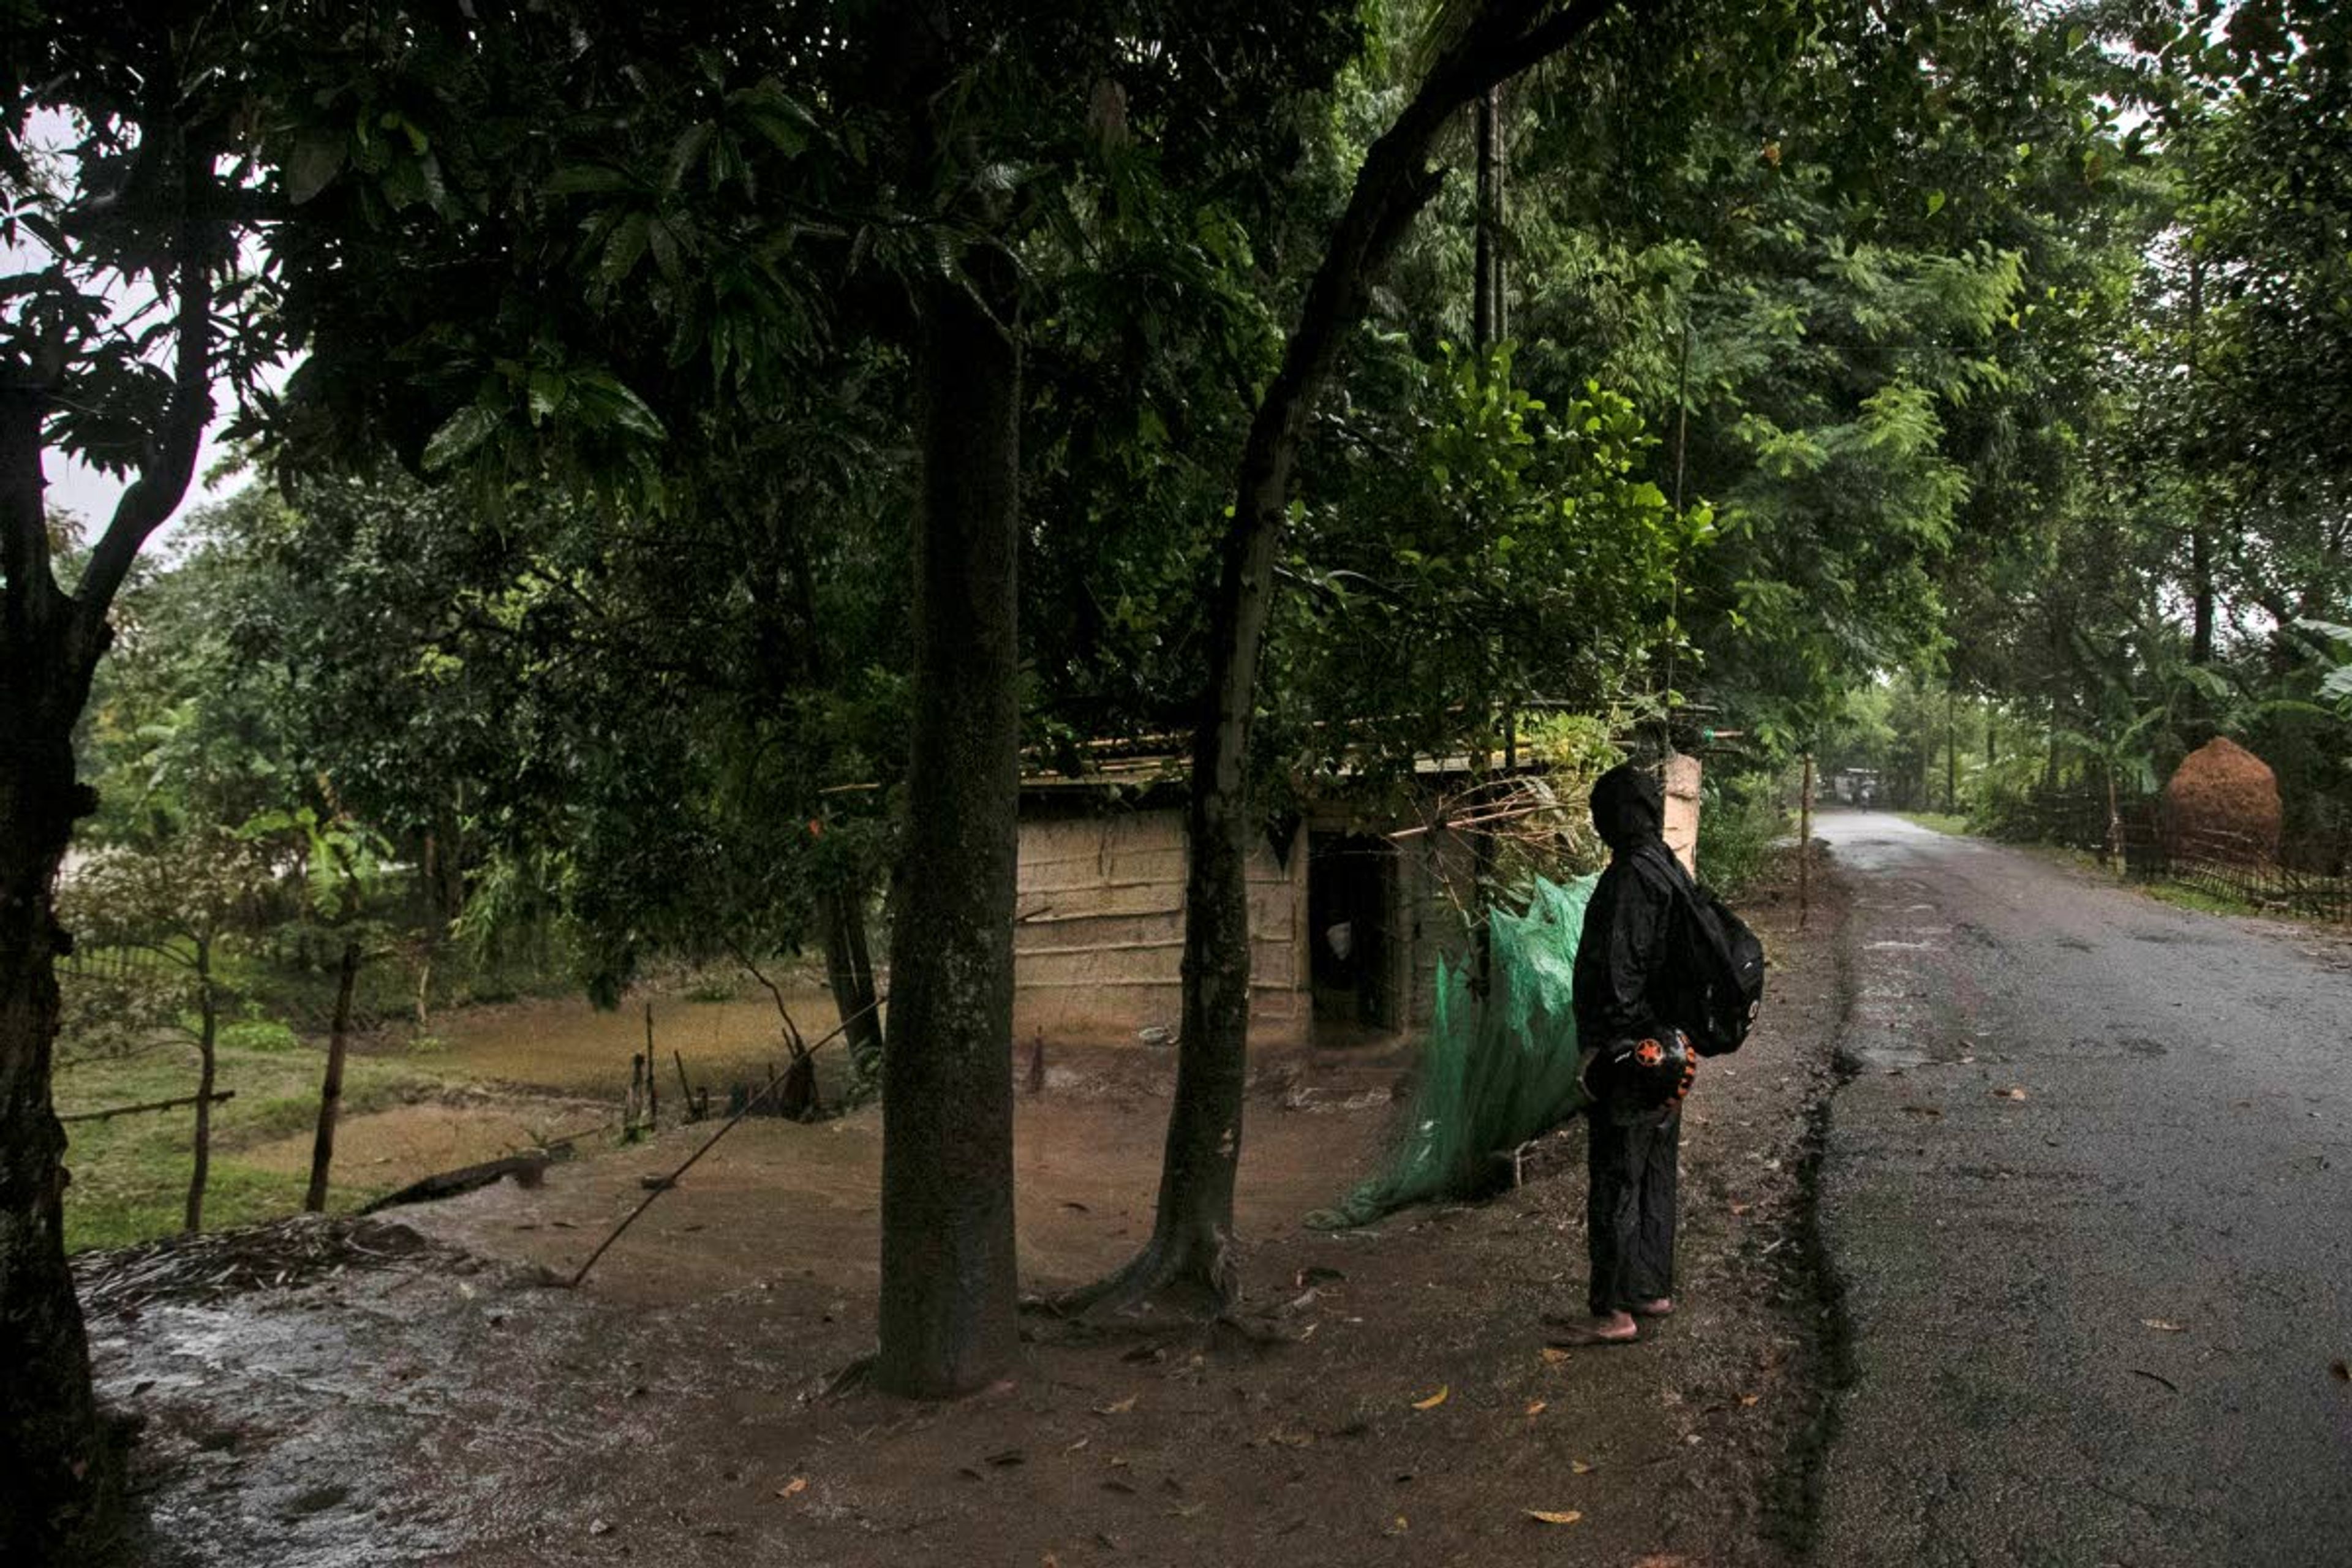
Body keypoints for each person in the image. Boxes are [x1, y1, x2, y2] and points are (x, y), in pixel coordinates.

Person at [1557, 761, 1691, 1344]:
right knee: (1655, 1170)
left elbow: (1617, 974)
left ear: (1618, 816)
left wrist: (1600, 1056)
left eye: (1600, 813)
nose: (1597, 824)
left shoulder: (1630, 878)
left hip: (1632, 1055)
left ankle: (1612, 1311)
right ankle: (1649, 1289)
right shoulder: (1669, 868)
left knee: (1615, 1176)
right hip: (1671, 1050)